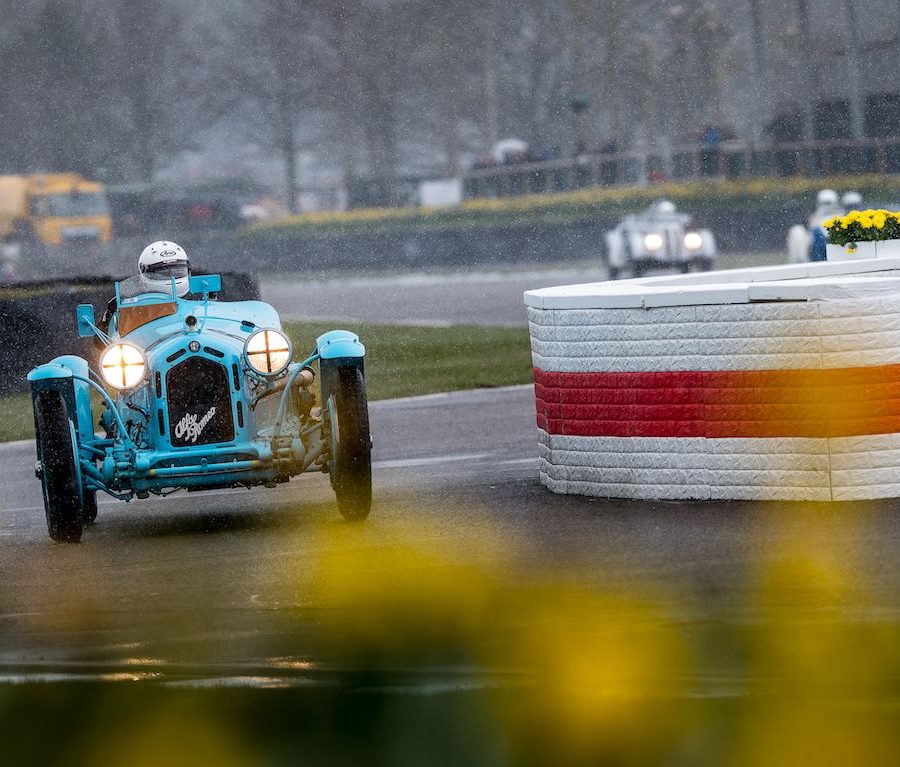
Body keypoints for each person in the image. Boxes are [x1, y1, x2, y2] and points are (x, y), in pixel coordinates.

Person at [98, 241, 191, 336]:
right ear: (144, 272)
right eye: (163, 273)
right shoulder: (126, 303)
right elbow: (102, 340)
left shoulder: (202, 296)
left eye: (177, 271)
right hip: (144, 347)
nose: (171, 277)